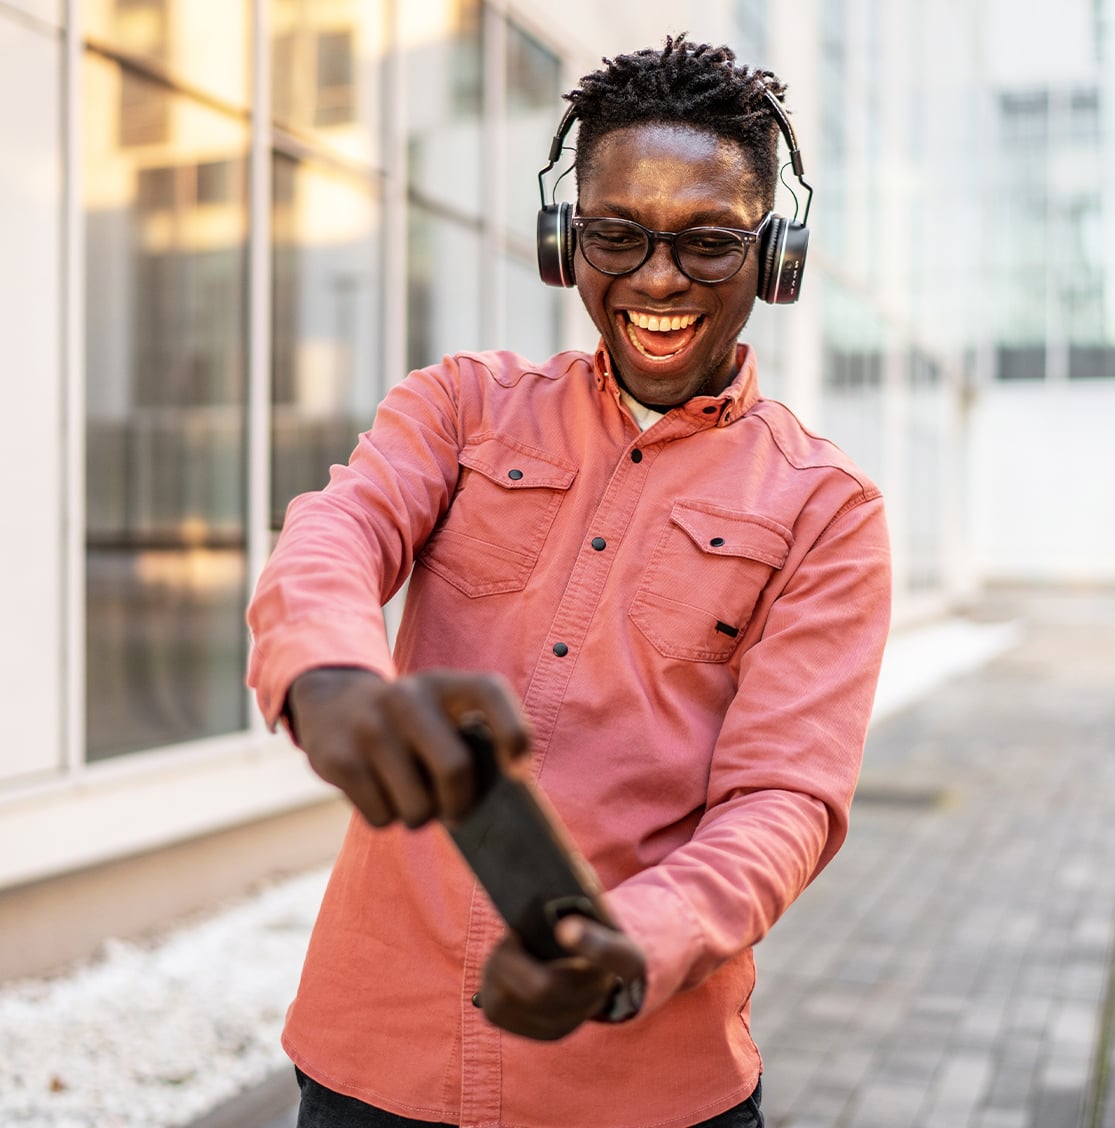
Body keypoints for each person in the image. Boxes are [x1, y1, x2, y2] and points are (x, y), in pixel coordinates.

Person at [247, 35, 892, 1128]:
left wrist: (633, 942)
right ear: (563, 241)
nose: (655, 279)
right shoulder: (459, 405)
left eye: (707, 244)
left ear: (773, 257)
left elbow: (784, 799)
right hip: (375, 1055)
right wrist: (328, 676)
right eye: (616, 235)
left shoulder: (828, 509)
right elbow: (336, 532)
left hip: (641, 1085)